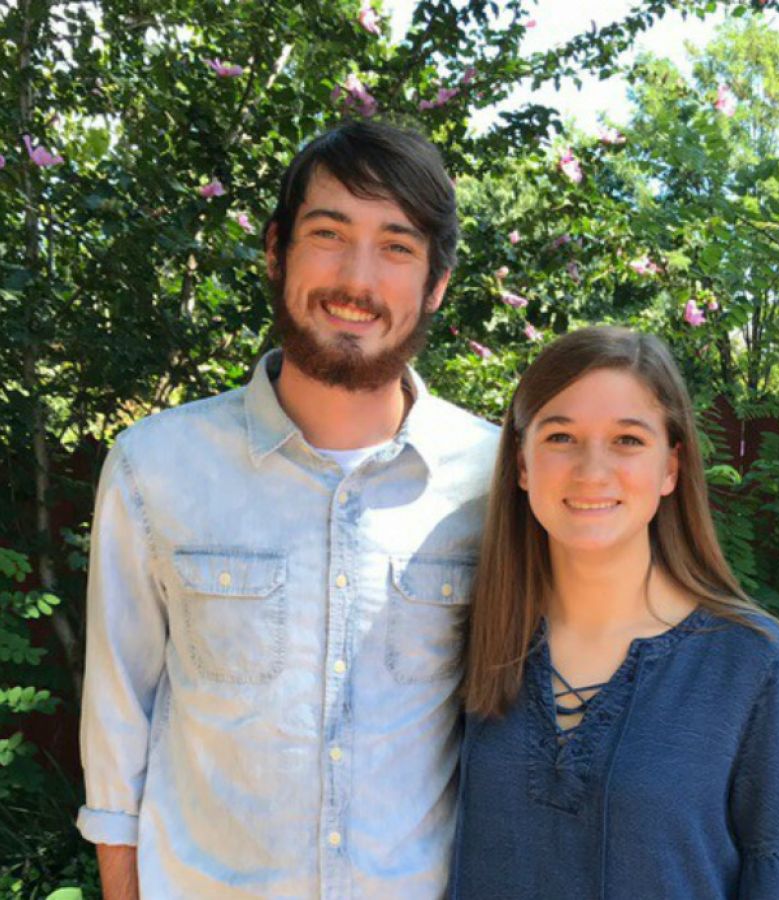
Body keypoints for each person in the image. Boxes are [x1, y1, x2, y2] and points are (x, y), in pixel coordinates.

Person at [77, 120, 498, 899]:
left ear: (437, 283)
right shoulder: (154, 468)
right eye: (328, 233)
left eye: (397, 247)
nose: (357, 279)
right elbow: (117, 718)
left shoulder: (495, 480)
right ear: (275, 249)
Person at [451, 326, 779, 899]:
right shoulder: (468, 637)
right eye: (561, 436)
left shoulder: (751, 665)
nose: (592, 471)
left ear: (671, 467)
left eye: (627, 440)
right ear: (522, 465)